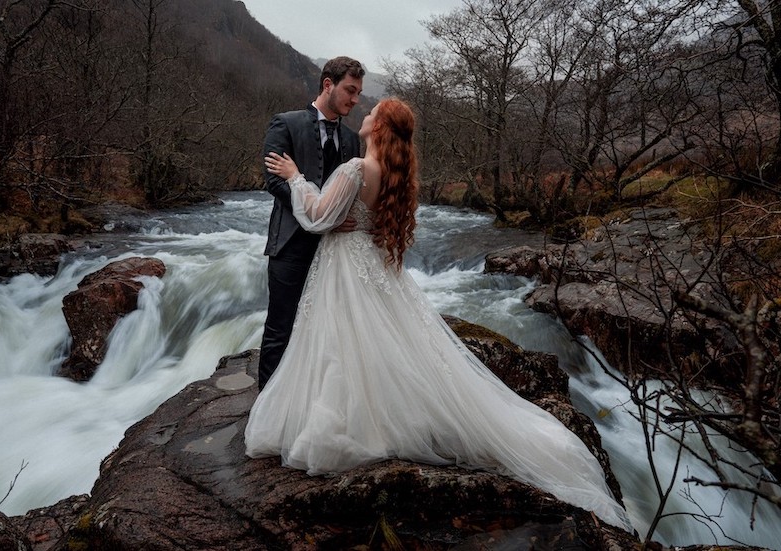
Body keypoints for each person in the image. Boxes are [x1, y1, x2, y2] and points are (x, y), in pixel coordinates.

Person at [244, 98, 634, 532]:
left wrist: (295, 177)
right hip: (373, 269)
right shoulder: (393, 174)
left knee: (343, 342)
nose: (365, 114)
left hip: (344, 270)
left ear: (379, 128)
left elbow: (317, 216)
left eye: (372, 112)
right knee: (375, 342)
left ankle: (352, 424)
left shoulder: (356, 169)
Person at [258, 56, 365, 391]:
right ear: (328, 84)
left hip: (333, 250)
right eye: (350, 90)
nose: (355, 99)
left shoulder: (350, 140)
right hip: (290, 245)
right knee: (280, 329)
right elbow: (273, 181)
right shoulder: (285, 124)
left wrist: (334, 218)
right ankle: (265, 410)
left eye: (359, 92)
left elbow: (348, 192)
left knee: (324, 329)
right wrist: (319, 214)